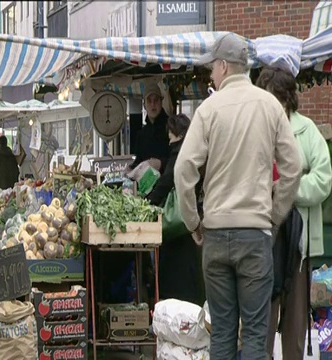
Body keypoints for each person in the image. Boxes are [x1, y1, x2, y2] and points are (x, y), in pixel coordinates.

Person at [174, 33, 302, 360]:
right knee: (257, 336)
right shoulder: (270, 105)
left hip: (215, 235)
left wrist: (193, 222)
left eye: (212, 70)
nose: (210, 76)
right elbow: (293, 168)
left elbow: (184, 169)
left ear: (223, 66)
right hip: (256, 235)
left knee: (223, 335)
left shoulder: (208, 110)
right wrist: (274, 215)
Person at [256, 67, 332, 360]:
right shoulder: (257, 129)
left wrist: (288, 190)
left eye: (274, 98)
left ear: (287, 99)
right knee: (262, 319)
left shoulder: (307, 130)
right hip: (263, 234)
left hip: (298, 241)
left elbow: (324, 178)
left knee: (295, 324)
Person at [146, 113, 203, 304]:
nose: (169, 140)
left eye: (170, 135)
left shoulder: (179, 153)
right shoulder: (196, 152)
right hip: (192, 221)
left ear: (176, 134)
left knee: (176, 275)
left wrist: (147, 203)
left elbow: (166, 182)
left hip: (179, 228)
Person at [128, 82, 170, 173]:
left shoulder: (171, 128)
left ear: (161, 102)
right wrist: (130, 169)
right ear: (144, 105)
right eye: (149, 101)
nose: (153, 104)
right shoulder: (141, 135)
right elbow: (138, 162)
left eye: (156, 100)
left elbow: (179, 160)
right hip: (146, 185)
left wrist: (161, 163)